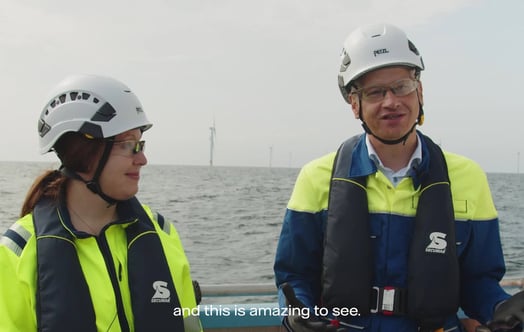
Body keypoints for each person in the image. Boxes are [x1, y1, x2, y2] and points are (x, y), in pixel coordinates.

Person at [273, 23, 524, 332]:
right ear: (355, 104)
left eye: (401, 86)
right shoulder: (315, 178)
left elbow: (479, 281)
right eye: (375, 92)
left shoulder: (468, 177)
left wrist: (502, 308)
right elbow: (294, 276)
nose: (391, 101)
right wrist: (298, 314)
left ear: (419, 91)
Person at [0, 74, 202, 332]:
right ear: (82, 151)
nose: (142, 159)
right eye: (129, 144)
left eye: (141, 143)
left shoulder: (161, 233)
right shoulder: (19, 252)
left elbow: (188, 324)